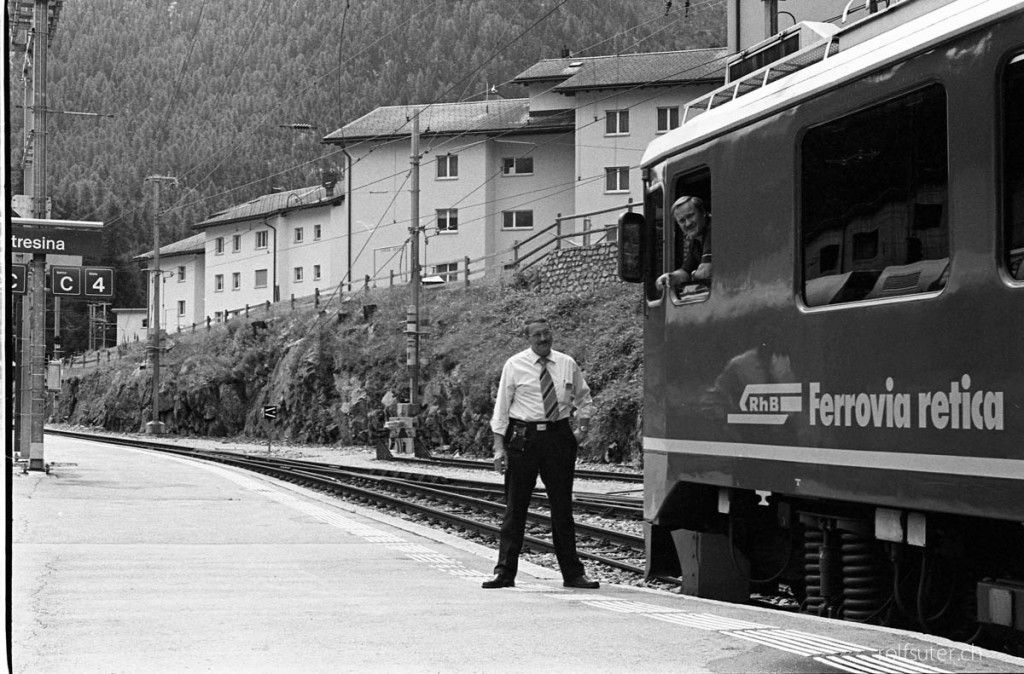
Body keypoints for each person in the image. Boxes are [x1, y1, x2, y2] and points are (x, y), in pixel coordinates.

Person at [482, 317, 600, 589]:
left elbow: (584, 398)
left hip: (559, 437)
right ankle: (505, 573)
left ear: (552, 335)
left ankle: (573, 574)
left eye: (547, 334)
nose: (543, 339)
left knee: (562, 508)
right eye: (537, 335)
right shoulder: (514, 365)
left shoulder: (567, 364)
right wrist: (499, 448)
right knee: (516, 507)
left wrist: (581, 427)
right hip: (524, 438)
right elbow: (502, 408)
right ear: (528, 338)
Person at [656, 195, 712, 290]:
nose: (688, 223)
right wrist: (670, 277)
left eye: (690, 216)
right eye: (682, 220)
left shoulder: (714, 230)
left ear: (703, 212)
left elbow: (706, 272)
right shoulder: (695, 241)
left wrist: (694, 275)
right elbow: (686, 271)